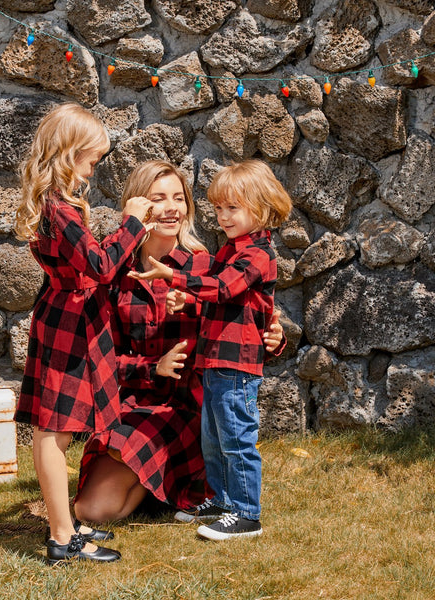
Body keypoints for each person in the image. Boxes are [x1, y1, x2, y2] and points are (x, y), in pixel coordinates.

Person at [73, 160, 285, 524]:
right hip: (135, 406)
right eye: (159, 198)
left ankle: (180, 481)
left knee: (101, 507)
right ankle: (162, 483)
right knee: (93, 510)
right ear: (139, 205)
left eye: (178, 198)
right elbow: (98, 361)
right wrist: (150, 368)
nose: (171, 208)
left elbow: (250, 319)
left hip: (194, 410)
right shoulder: (114, 275)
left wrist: (275, 339)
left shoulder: (207, 265)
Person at [13, 103, 152, 564]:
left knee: (60, 432)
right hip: (67, 326)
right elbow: (100, 265)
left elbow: (92, 265)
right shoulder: (58, 209)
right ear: (70, 153)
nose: (95, 167)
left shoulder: (61, 204)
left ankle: (65, 526)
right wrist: (132, 222)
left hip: (70, 319)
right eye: (92, 158)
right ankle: (60, 536)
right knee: (53, 433)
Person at [128, 159, 292, 541]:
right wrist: (186, 301)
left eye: (233, 207)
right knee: (214, 439)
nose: (223, 216)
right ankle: (220, 501)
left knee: (237, 440)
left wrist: (173, 277)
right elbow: (214, 299)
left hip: (237, 364)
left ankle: (247, 513)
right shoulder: (230, 251)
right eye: (218, 208)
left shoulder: (257, 255)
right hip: (216, 360)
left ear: (263, 206)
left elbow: (223, 289)